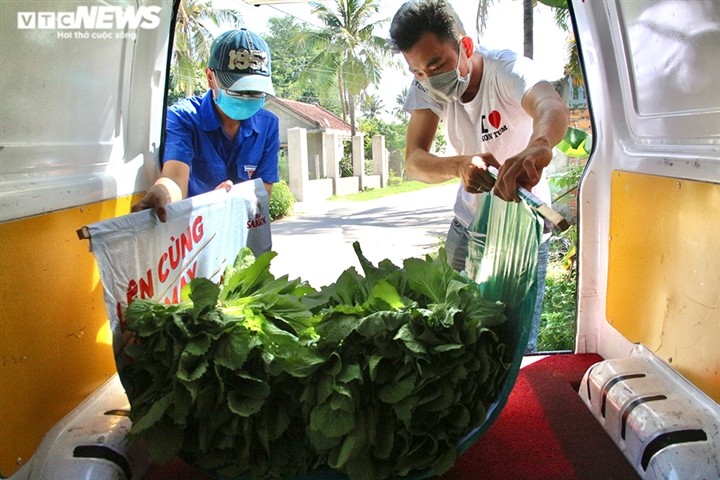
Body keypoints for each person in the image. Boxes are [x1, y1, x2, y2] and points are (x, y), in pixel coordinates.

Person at [389, 0, 569, 353]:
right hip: (466, 228)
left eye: (436, 64)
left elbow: (550, 105)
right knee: (453, 337)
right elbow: (415, 161)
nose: (428, 79)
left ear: (465, 47)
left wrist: (540, 145)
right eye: (417, 72)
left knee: (512, 345)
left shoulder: (508, 69)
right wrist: (457, 165)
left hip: (521, 233)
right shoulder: (427, 87)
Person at [132, 28, 280, 222]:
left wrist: (229, 201)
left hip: (241, 229)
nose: (246, 98)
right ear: (211, 78)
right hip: (192, 235)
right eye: (237, 91)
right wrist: (162, 193)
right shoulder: (183, 118)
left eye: (255, 93)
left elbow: (263, 190)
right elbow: (175, 177)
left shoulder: (268, 125)